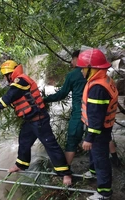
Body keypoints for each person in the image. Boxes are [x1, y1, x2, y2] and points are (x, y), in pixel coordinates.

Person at [0, 60, 72, 185]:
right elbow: (8, 101)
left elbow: (6, 99)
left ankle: (66, 174)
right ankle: (21, 164)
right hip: (30, 121)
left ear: (9, 73)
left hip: (39, 120)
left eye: (5, 75)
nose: (4, 78)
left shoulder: (20, 81)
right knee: (24, 141)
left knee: (50, 145)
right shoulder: (17, 82)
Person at [78, 48, 118, 200]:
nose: (82, 71)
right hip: (103, 128)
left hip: (99, 130)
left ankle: (104, 192)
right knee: (95, 154)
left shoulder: (97, 88)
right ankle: (93, 172)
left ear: (92, 68)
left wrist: (89, 137)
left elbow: (96, 117)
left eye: (83, 68)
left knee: (101, 159)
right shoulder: (104, 80)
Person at [43, 50, 86, 166]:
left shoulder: (73, 75)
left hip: (79, 113)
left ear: (77, 58)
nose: (71, 62)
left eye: (72, 59)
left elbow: (61, 94)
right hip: (95, 112)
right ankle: (113, 159)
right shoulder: (94, 72)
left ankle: (64, 171)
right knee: (96, 139)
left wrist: (44, 99)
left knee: (72, 140)